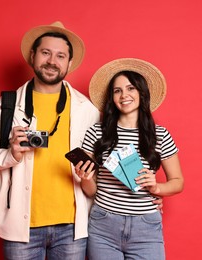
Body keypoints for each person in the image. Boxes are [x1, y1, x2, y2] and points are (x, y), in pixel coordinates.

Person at [0, 21, 100, 259]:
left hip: (72, 226)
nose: (52, 61)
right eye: (45, 53)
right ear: (32, 56)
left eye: (60, 56)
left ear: (69, 63)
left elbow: (103, 166)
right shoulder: (5, 106)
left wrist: (143, 197)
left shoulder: (87, 110)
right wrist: (10, 154)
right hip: (20, 227)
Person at [75, 58, 184, 260]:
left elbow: (178, 182)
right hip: (103, 224)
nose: (124, 95)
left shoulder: (160, 135)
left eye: (130, 88)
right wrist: (85, 177)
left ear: (141, 93)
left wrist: (157, 187)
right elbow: (90, 191)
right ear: (111, 98)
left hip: (146, 227)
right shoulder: (96, 132)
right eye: (117, 91)